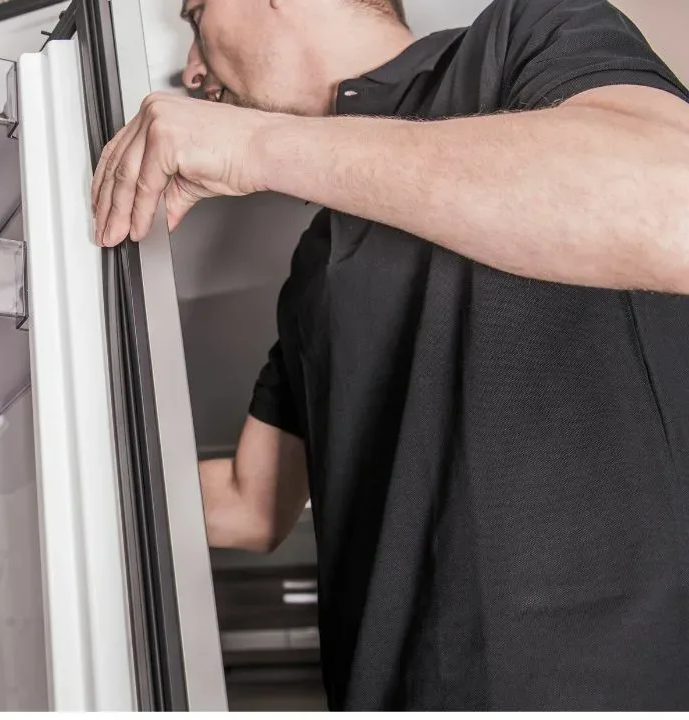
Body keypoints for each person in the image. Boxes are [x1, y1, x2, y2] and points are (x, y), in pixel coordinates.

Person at [90, 0, 689, 710]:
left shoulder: (527, 34)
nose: (193, 71)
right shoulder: (316, 261)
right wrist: (69, 475)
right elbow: (253, 505)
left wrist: (258, 144)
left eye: (196, 14)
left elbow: (672, 201)